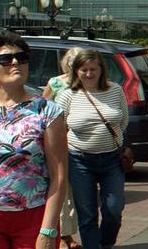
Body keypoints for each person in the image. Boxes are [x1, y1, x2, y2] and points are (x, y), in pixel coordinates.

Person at [0, 30, 67, 249]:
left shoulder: (48, 111)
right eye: (6, 59)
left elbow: (59, 175)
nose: (15, 62)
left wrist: (48, 229)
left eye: (22, 57)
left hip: (33, 217)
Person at [57, 49, 129, 249]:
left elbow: (123, 121)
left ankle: (106, 243)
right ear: (76, 72)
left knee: (113, 209)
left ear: (101, 70)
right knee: (87, 213)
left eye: (93, 69)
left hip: (112, 159)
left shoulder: (115, 91)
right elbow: (56, 128)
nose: (89, 74)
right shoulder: (68, 96)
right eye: (84, 70)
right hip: (79, 160)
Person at [41, 47, 83, 249]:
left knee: (75, 191)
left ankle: (69, 234)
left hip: (80, 144)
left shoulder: (88, 82)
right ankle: (64, 236)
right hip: (59, 141)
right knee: (62, 189)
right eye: (73, 61)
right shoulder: (56, 83)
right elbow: (43, 108)